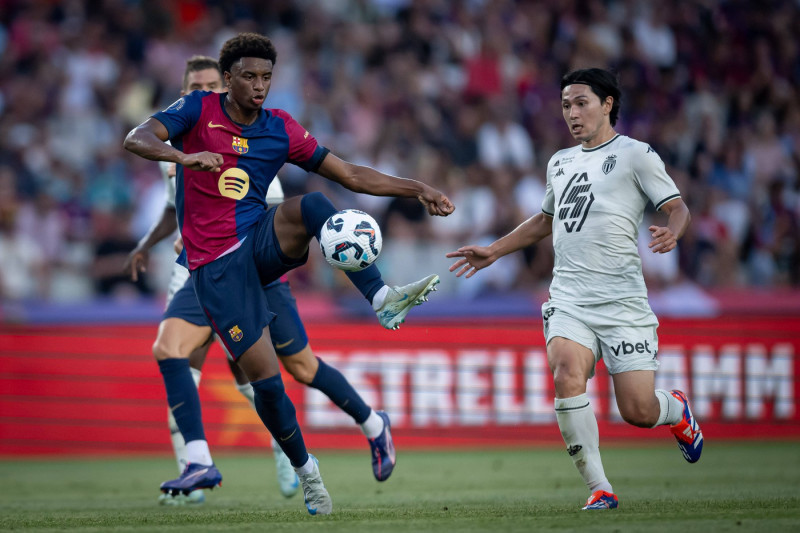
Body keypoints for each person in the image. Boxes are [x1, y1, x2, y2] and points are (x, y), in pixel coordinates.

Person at [123, 33, 454, 516]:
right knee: (270, 384)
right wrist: (183, 156)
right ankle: (307, 471)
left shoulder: (279, 127)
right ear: (228, 77)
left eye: (267, 78)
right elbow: (136, 138)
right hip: (215, 270)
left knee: (315, 204)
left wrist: (417, 187)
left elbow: (352, 174)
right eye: (250, 77)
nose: (260, 87)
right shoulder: (196, 109)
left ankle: (381, 297)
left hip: (258, 244)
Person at [447, 68, 701, 511]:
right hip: (568, 297)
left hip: (622, 301)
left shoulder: (636, 155)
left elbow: (677, 207)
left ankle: (676, 410)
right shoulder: (559, 162)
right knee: (566, 375)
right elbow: (546, 221)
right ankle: (600, 487)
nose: (572, 113)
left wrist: (673, 232)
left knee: (638, 411)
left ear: (607, 105)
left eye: (581, 102)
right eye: (566, 105)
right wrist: (495, 250)